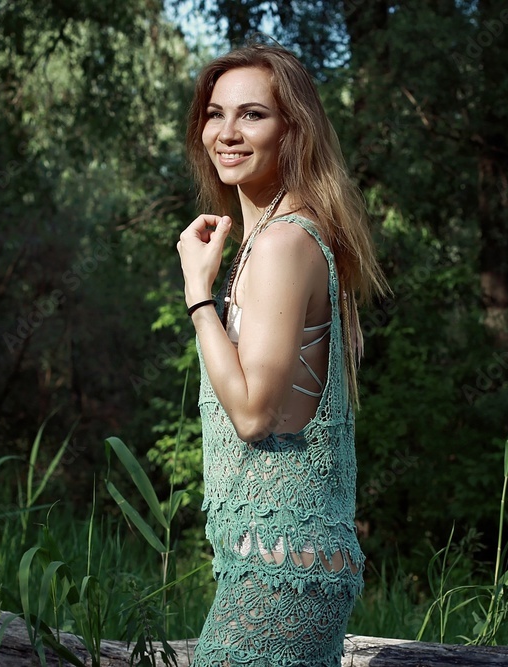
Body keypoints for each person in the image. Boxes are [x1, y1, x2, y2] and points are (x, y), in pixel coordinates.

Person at [176, 40, 387, 666]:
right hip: (280, 564)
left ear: (292, 131)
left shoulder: (283, 243)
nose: (227, 132)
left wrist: (197, 294)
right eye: (216, 114)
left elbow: (253, 415)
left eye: (252, 114)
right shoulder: (279, 237)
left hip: (281, 575)